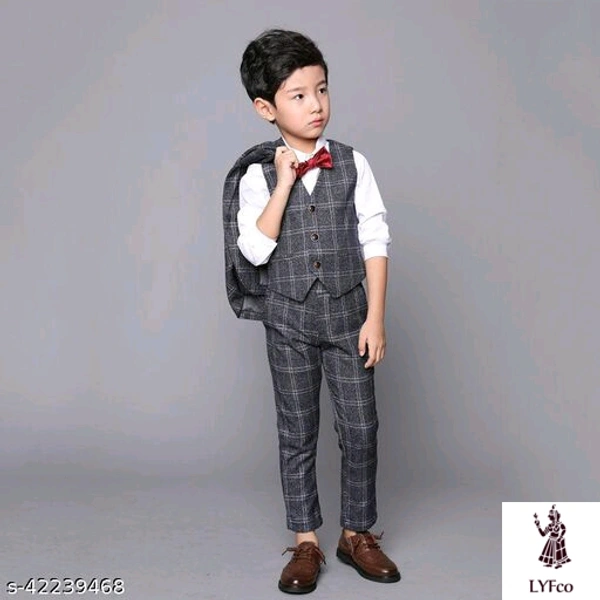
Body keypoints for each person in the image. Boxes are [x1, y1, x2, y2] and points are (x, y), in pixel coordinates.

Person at [222, 28, 400, 594]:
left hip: (350, 317)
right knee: (297, 430)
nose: (316, 104)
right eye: (298, 95)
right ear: (266, 108)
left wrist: (375, 317)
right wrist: (282, 185)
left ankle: (357, 533)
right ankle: (306, 541)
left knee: (362, 428)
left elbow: (375, 237)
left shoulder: (353, 163)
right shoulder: (256, 176)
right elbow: (255, 250)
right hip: (289, 323)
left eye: (321, 89)